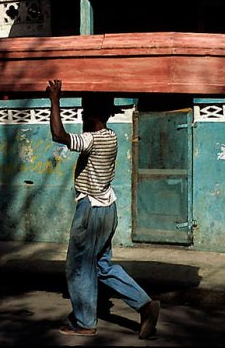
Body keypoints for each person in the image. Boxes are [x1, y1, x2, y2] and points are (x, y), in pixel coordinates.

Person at [47, 79, 160, 339]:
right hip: (108, 208)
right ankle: (145, 305)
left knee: (78, 266)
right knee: (102, 266)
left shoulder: (93, 140)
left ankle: (85, 322)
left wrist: (55, 99)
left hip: (91, 211)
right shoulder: (111, 137)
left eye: (85, 112)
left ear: (91, 115)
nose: (83, 116)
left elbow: (59, 135)